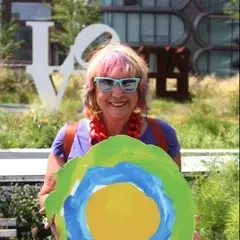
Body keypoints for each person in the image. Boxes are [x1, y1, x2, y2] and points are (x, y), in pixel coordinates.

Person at [39, 43, 201, 239]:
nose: (117, 93)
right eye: (107, 83)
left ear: (139, 90)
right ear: (93, 89)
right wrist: (54, 214)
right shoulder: (70, 137)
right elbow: (47, 193)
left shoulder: (162, 136)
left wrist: (183, 227)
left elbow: (173, 197)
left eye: (128, 83)